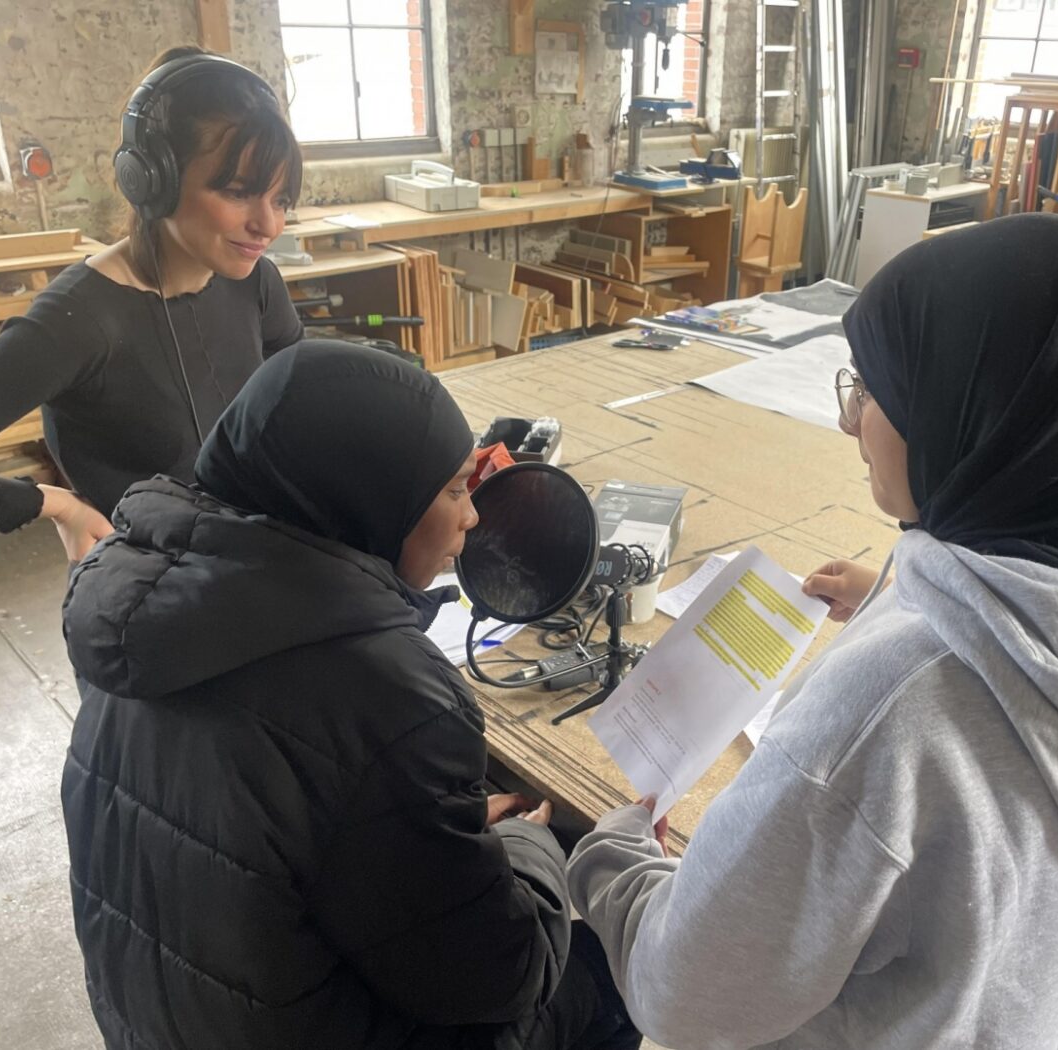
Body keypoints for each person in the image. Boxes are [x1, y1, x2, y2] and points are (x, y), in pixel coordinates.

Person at [566, 214, 1058, 1050]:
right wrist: (916, 597)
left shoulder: (895, 710)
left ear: (972, 418)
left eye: (872, 393)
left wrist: (607, 853)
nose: (849, 422)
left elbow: (685, 992)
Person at [59, 340, 640, 1050]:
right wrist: (533, 844)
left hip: (160, 1023)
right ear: (371, 496)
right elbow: (497, 977)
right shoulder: (388, 692)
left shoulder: (138, 606)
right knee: (612, 963)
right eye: (456, 489)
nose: (474, 518)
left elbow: (282, 814)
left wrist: (431, 829)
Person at [0, 46, 304, 563]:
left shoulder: (254, 281)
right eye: (237, 192)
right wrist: (52, 505)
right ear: (152, 180)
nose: (269, 226)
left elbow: (302, 397)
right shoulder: (77, 320)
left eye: (280, 200)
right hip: (151, 592)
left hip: (254, 559)